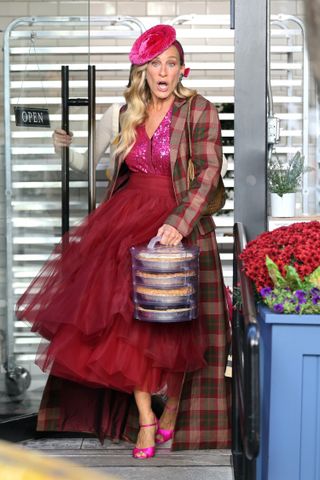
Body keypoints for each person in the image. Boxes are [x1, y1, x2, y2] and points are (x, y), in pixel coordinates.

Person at [16, 24, 231, 458]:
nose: (163, 72)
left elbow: (209, 174)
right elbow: (84, 163)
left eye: (171, 63)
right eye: (155, 64)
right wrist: (63, 147)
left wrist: (179, 223)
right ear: (143, 70)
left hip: (179, 220)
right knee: (128, 326)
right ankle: (147, 421)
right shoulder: (122, 112)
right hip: (126, 221)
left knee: (183, 327)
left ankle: (170, 416)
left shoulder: (200, 109)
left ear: (181, 68)